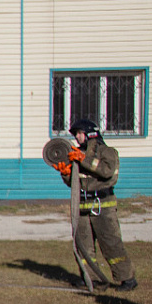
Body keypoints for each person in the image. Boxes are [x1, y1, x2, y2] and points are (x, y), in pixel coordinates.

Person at [58, 118, 136, 290]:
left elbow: (107, 172)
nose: (77, 137)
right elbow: (74, 182)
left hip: (103, 206)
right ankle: (91, 278)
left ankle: (127, 278)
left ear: (90, 134)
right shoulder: (77, 154)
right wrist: (65, 173)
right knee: (83, 246)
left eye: (79, 133)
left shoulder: (107, 152)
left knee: (111, 243)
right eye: (76, 134)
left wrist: (83, 159)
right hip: (82, 206)